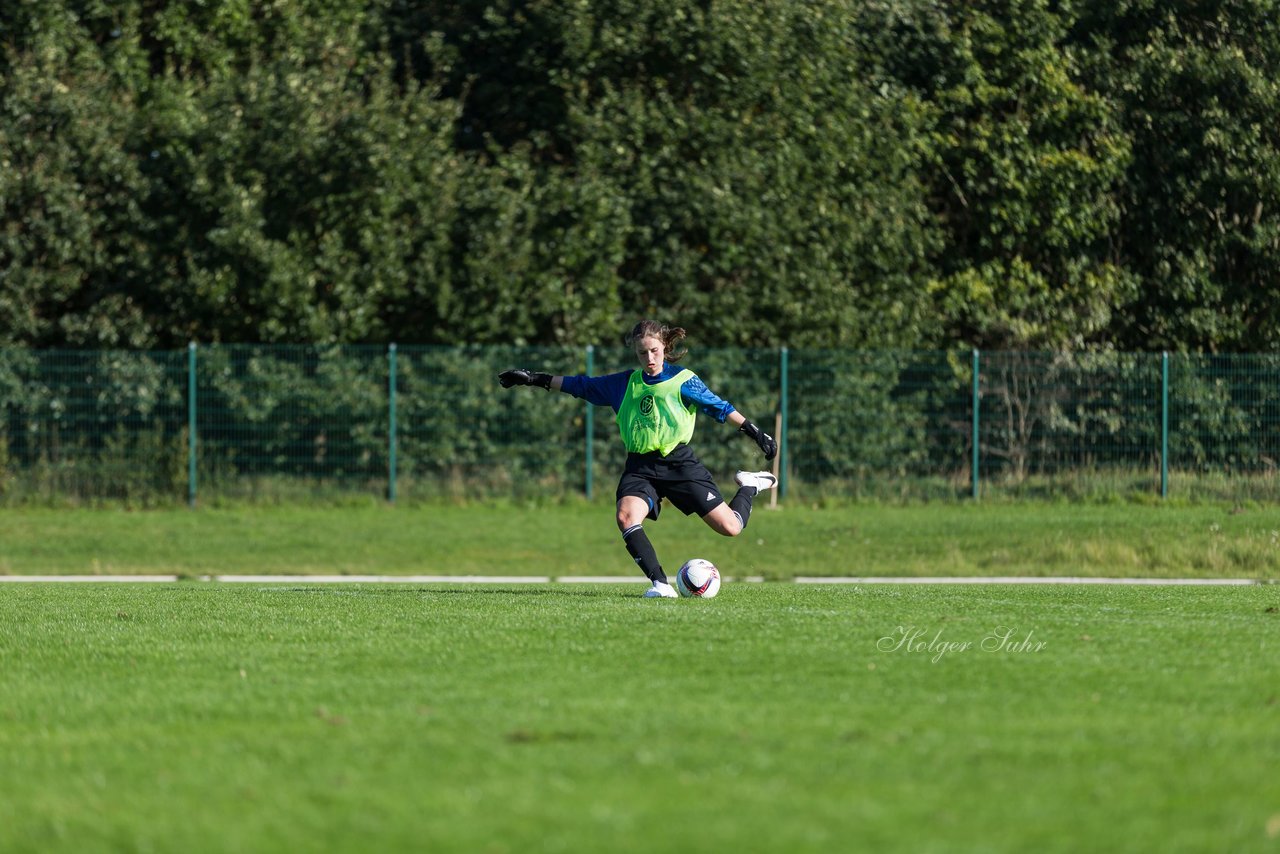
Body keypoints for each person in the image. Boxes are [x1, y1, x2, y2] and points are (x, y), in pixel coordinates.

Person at [498, 319, 778, 598]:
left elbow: (720, 407)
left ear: (664, 347)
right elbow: (580, 385)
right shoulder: (624, 384)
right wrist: (534, 379)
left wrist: (755, 432)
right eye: (642, 353)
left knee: (731, 528)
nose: (649, 358)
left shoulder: (683, 380)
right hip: (640, 467)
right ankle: (660, 585)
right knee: (626, 516)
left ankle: (749, 485)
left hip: (679, 464)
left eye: (654, 351)